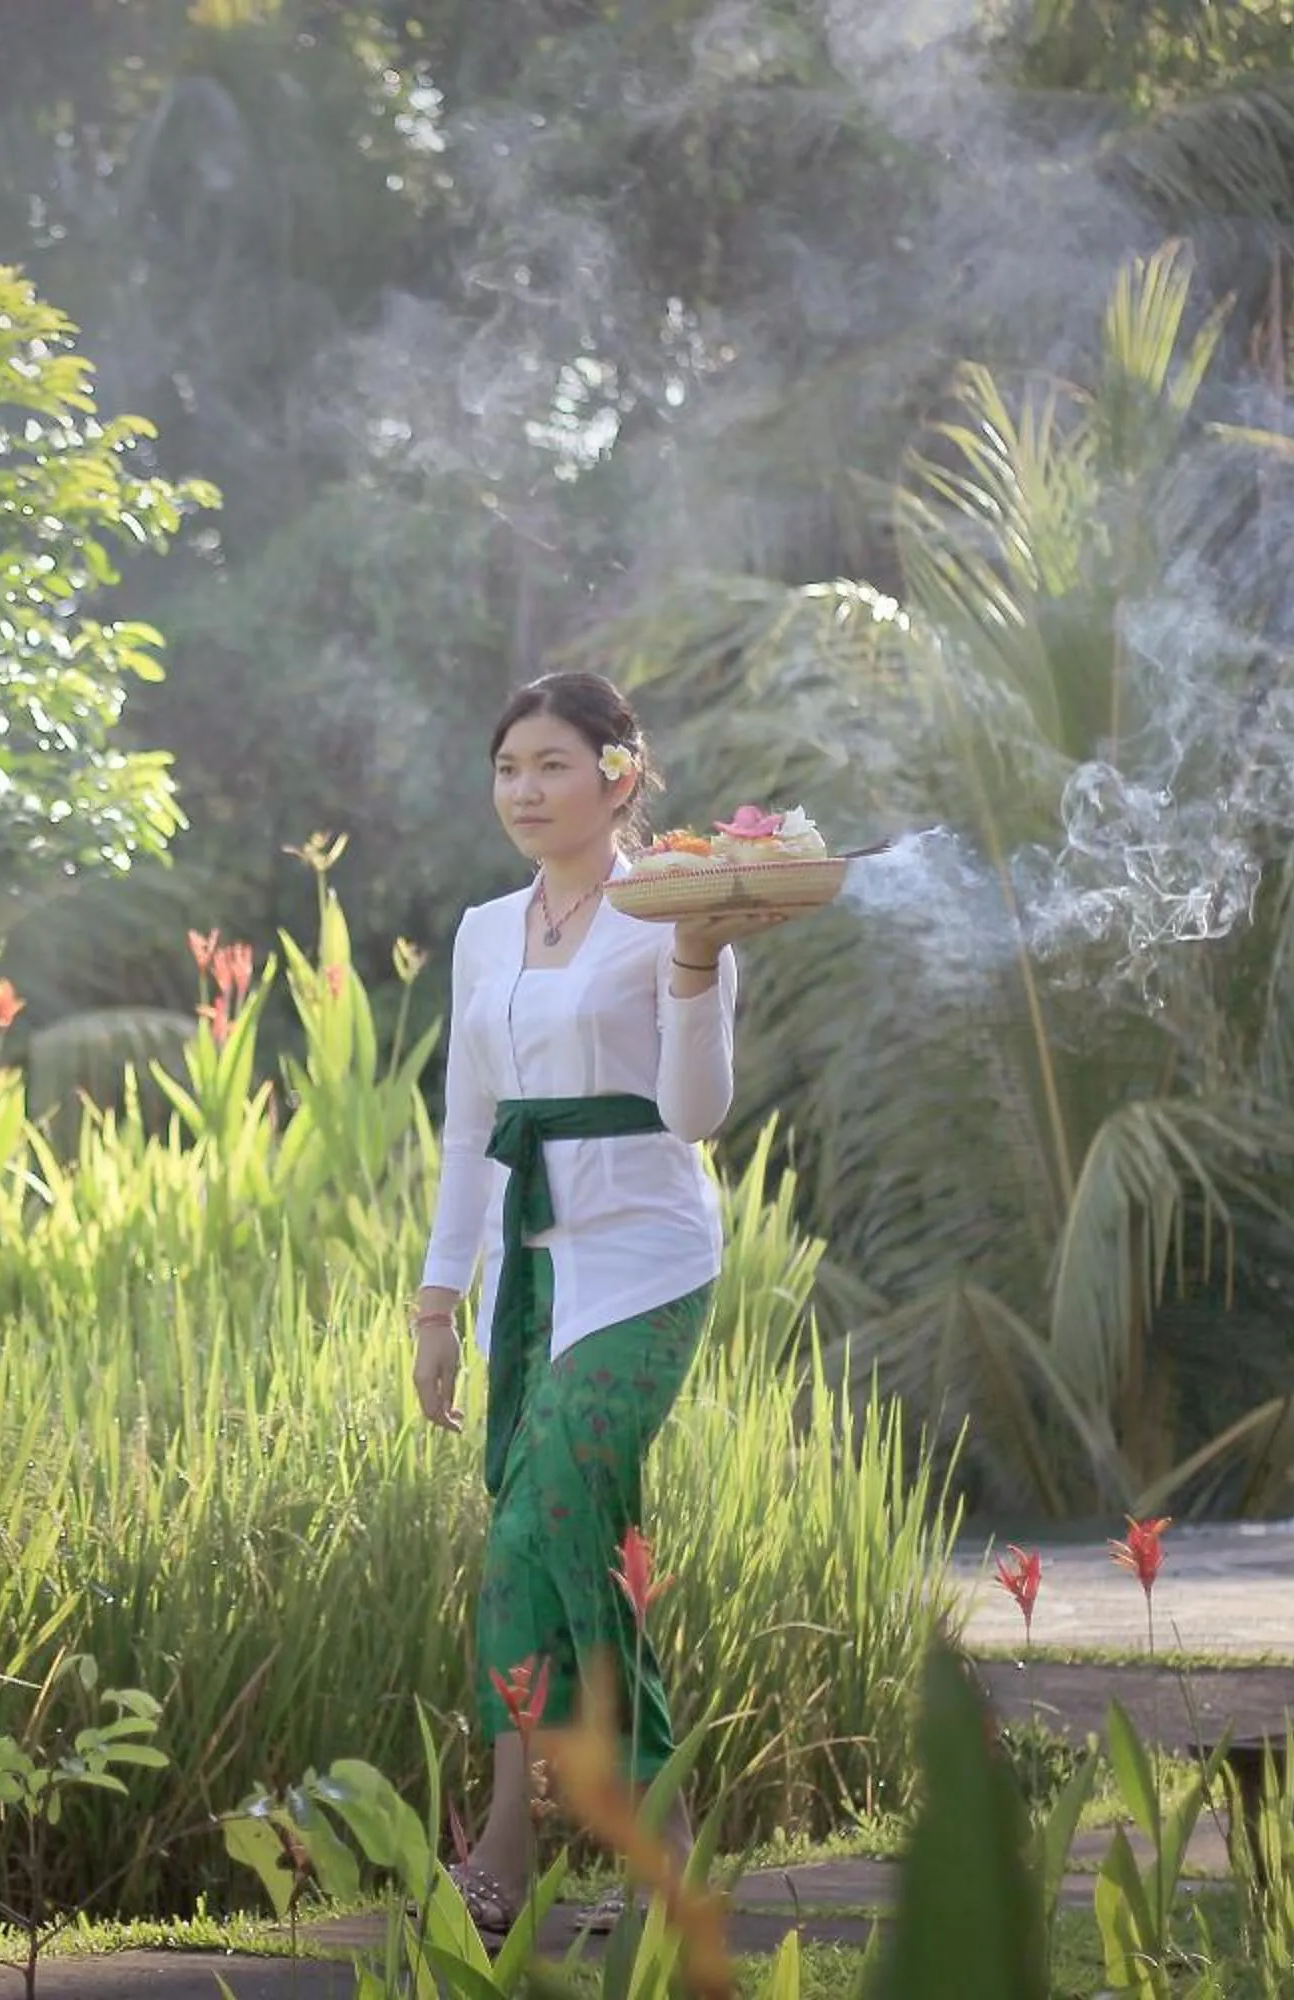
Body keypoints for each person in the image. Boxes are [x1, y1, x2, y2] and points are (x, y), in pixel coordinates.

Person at [409, 672, 785, 1938]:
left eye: (552, 764)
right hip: (529, 1275)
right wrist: (436, 1301)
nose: (524, 788)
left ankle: (517, 1853)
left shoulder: (672, 906)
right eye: (508, 764)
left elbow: (695, 1116)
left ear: (621, 771)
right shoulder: (479, 928)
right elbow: (470, 1126)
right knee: (574, 1553)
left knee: (531, 1535)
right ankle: (655, 1854)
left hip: (645, 1263)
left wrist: (691, 963)